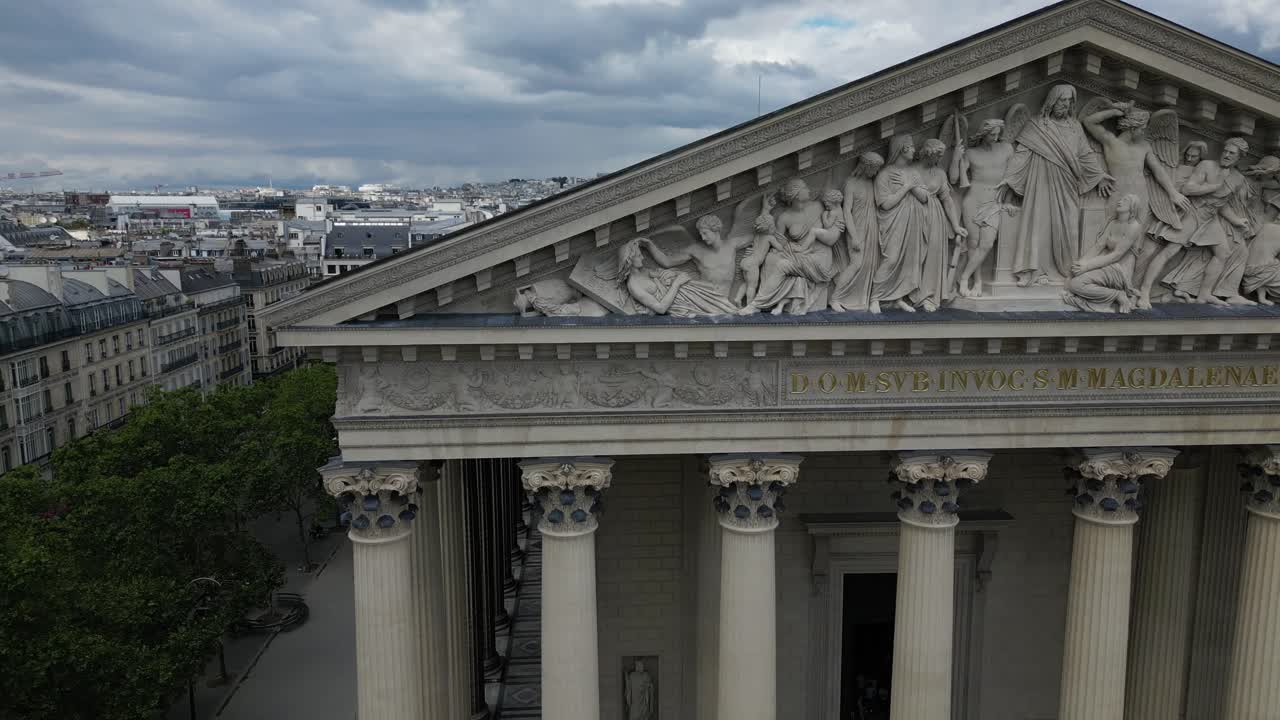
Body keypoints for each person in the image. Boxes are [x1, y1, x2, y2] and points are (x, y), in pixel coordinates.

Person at [1000, 84, 1114, 286]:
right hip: (1041, 179)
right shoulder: (1036, 125)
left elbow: (1085, 154)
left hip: (1068, 182)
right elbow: (1022, 154)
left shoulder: (1075, 126)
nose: (1066, 104)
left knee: (1068, 228)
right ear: (1052, 101)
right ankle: (1033, 271)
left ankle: (1064, 271)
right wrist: (1009, 178)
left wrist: (1100, 175)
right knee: (1039, 225)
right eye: (1062, 100)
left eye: (1070, 100)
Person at [1141, 137, 1257, 307]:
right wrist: (1213, 187)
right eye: (1225, 151)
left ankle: (1204, 294)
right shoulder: (1207, 166)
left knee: (1223, 252)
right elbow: (1188, 188)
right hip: (1193, 211)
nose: (1226, 155)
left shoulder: (1238, 178)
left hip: (1210, 217)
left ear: (1239, 157)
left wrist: (1237, 220)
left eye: (1231, 153)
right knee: (1170, 250)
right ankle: (1144, 292)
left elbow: (1221, 205)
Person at [741, 178, 845, 314]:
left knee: (782, 265)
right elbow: (774, 239)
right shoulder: (785, 217)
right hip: (800, 255)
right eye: (805, 188)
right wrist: (765, 212)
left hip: (820, 258)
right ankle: (764, 303)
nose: (808, 190)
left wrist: (839, 225)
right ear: (796, 194)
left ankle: (756, 304)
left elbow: (836, 217)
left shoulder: (818, 207)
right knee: (771, 259)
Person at [950, 118, 1016, 298]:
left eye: (997, 134)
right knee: (973, 243)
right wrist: (956, 157)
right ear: (983, 134)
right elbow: (955, 179)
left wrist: (1007, 202)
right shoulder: (971, 153)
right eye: (991, 134)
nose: (995, 137)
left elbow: (1011, 180)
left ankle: (963, 277)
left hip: (994, 202)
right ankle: (977, 281)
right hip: (973, 200)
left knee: (986, 243)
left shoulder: (1007, 149)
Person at [870, 134, 929, 313]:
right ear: (902, 149)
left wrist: (911, 185)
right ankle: (875, 297)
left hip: (913, 222)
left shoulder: (914, 173)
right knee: (892, 259)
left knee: (909, 262)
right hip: (893, 223)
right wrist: (906, 187)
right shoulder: (885, 174)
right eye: (911, 147)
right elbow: (886, 204)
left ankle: (898, 298)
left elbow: (925, 197)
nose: (914, 150)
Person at [617, 239, 739, 317]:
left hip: (689, 290)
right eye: (638, 256)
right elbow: (660, 308)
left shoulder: (643, 271)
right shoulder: (633, 285)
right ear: (629, 260)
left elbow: (663, 267)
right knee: (722, 311)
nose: (643, 258)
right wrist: (677, 283)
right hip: (684, 301)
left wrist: (649, 245)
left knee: (724, 306)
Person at [1063, 194, 1143, 313]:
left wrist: (1087, 267)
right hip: (1105, 264)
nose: (1120, 201)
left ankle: (1118, 295)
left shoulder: (1134, 227)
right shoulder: (1113, 223)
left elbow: (1117, 255)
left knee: (1076, 284)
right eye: (1121, 198)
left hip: (1120, 270)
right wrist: (1080, 263)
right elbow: (1098, 246)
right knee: (1070, 282)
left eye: (1125, 200)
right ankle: (1112, 295)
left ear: (1133, 206)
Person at [914, 138, 968, 311]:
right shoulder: (911, 170)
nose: (937, 160)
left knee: (933, 256)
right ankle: (909, 294)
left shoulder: (939, 173)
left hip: (935, 218)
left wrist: (955, 225)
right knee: (914, 255)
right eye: (936, 156)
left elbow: (947, 200)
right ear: (927, 153)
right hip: (913, 218)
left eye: (940, 156)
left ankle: (928, 295)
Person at [831, 152, 885, 311]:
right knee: (856, 264)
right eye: (874, 168)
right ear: (866, 166)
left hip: (872, 227)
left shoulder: (871, 184)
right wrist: (854, 236)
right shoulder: (851, 183)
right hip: (856, 228)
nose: (875, 172)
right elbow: (846, 211)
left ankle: (863, 299)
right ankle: (835, 298)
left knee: (871, 264)